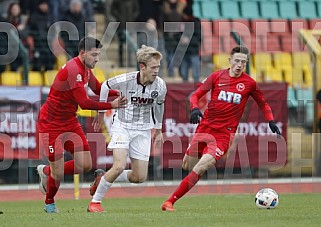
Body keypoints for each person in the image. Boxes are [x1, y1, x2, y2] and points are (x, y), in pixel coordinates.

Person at [161, 46, 281, 211]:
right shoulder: (217, 76)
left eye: (243, 62)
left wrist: (271, 120)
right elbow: (196, 95)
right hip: (204, 128)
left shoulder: (249, 83)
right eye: (237, 61)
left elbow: (263, 103)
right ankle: (196, 163)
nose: (239, 65)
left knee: (200, 167)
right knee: (187, 165)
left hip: (224, 135)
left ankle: (169, 202)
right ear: (230, 60)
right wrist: (195, 108)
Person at [36, 36, 127, 213]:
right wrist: (112, 105)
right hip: (51, 124)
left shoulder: (85, 68)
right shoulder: (73, 70)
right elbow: (84, 103)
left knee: (85, 164)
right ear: (83, 53)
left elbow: (99, 89)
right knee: (59, 173)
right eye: (94, 55)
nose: (97, 58)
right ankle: (49, 203)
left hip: (69, 121)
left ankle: (46, 171)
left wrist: (119, 92)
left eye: (98, 54)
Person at [87, 45, 167, 213]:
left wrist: (158, 130)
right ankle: (95, 202)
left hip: (143, 130)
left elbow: (159, 106)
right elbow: (105, 86)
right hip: (122, 126)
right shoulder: (126, 79)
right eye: (153, 67)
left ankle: (102, 178)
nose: (156, 71)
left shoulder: (160, 86)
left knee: (139, 177)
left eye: (158, 67)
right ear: (142, 67)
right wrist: (101, 111)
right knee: (119, 165)